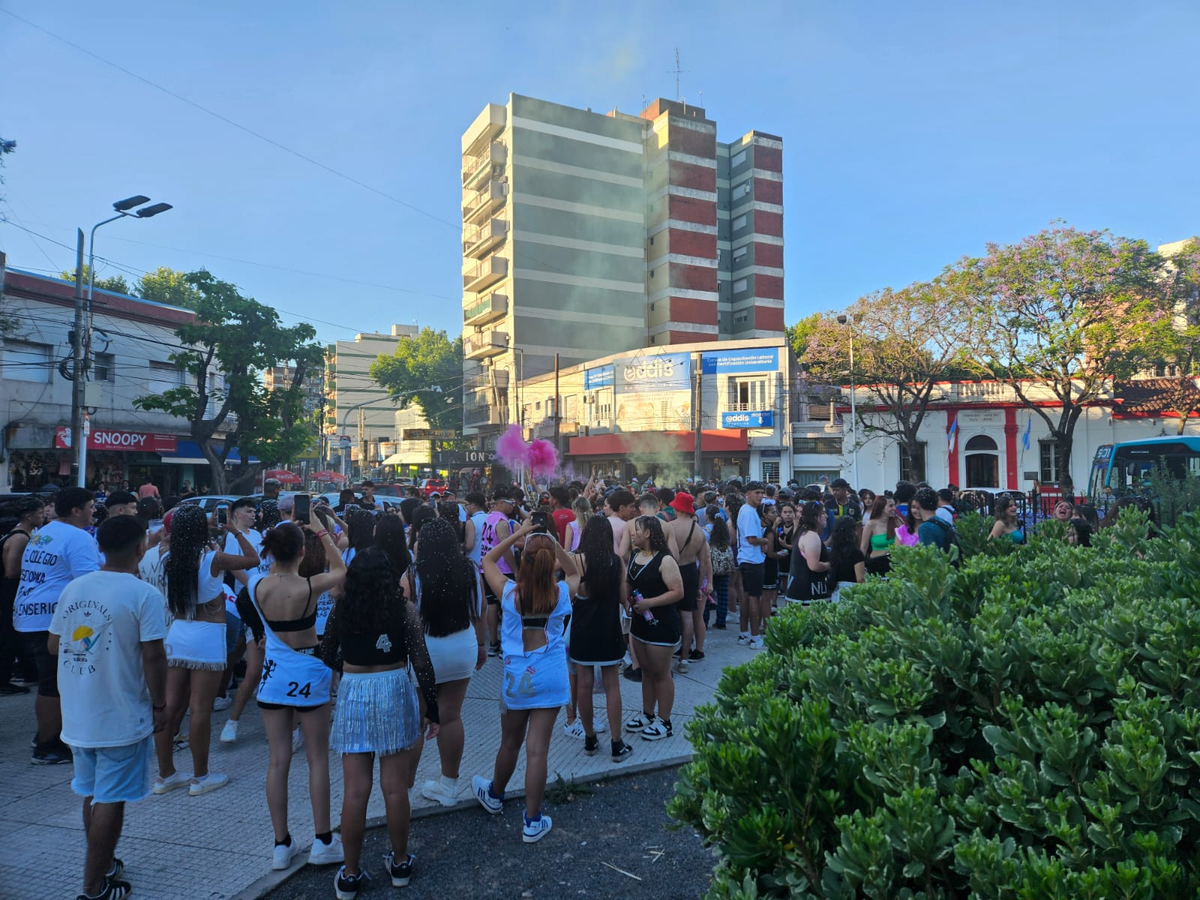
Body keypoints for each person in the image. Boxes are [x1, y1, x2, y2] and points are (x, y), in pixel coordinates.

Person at [49, 515, 168, 900]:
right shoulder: (143, 594)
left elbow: (54, 645)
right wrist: (161, 704)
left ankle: (103, 863)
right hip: (120, 715)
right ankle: (93, 887)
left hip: (79, 713)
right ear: (140, 548)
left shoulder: (75, 588)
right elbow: (154, 656)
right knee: (110, 799)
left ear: (99, 547)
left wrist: (86, 639)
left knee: (92, 792)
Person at [321, 550, 439, 898]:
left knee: (356, 789)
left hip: (355, 690)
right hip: (393, 688)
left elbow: (327, 653)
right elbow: (422, 661)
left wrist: (353, 663)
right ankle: (400, 863)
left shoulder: (343, 608)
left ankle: (350, 873)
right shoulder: (404, 610)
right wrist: (433, 708)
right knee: (394, 786)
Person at [245, 514, 347, 869]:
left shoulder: (256, 585)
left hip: (273, 675)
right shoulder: (308, 586)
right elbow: (342, 569)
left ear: (271, 550)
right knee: (317, 758)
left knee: (278, 760)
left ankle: (280, 844)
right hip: (309, 671)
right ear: (303, 552)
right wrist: (320, 530)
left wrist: (283, 528)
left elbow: (261, 564)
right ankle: (322, 840)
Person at [475, 521, 579, 843]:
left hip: (516, 677)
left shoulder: (509, 595)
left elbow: (488, 561)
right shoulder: (561, 594)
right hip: (551, 676)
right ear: (551, 564)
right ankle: (532, 822)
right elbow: (574, 573)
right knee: (538, 752)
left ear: (526, 560)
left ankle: (494, 794)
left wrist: (521, 535)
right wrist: (551, 541)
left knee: (510, 742)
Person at [152, 505, 258, 797]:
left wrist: (168, 536)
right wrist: (233, 530)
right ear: (200, 528)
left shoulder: (166, 557)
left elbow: (157, 542)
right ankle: (201, 777)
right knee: (199, 709)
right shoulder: (213, 558)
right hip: (207, 636)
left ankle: (165, 775)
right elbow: (253, 558)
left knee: (169, 707)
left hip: (177, 633)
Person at [405, 517, 486, 808]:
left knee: (415, 723)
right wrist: (481, 644)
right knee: (451, 716)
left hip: (425, 650)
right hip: (462, 644)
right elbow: (480, 610)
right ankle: (449, 786)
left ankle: (405, 792)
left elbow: (403, 613)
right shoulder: (469, 569)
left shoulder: (413, 572)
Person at [14, 486, 100, 764]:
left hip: (31, 615)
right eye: (90, 505)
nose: (94, 510)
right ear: (76, 510)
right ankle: (48, 745)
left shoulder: (45, 531)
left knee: (51, 682)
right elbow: (88, 584)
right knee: (55, 685)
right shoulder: (78, 537)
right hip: (51, 621)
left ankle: (47, 735)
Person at [567, 515, 631, 762]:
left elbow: (568, 594)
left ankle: (590, 738)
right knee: (612, 685)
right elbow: (623, 598)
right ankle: (617, 743)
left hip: (582, 630)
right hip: (608, 629)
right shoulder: (616, 562)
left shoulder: (577, 561)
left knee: (583, 685)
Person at [622, 516, 684, 740]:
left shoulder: (665, 560)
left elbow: (678, 592)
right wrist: (628, 599)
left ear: (647, 533)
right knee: (646, 671)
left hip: (661, 625)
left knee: (662, 673)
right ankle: (647, 714)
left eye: (636, 529)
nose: (632, 533)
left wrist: (649, 603)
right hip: (640, 624)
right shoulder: (634, 555)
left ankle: (665, 722)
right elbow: (630, 582)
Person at [663, 492, 712, 666]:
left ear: (677, 508)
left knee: (669, 615)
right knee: (687, 616)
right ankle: (684, 659)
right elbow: (704, 563)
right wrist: (700, 586)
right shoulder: (700, 531)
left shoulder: (669, 526)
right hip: (691, 572)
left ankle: (667, 658)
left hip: (671, 571)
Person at [1, 496, 44, 695]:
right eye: (40, 512)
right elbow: (12, 571)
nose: (43, 516)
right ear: (29, 515)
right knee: (10, 634)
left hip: (15, 590)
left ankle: (27, 671)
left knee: (17, 634)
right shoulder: (20, 538)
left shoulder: (26, 535)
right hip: (11, 590)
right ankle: (3, 678)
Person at [479, 489, 517, 656]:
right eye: (511, 503)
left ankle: (494, 643)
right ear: (502, 503)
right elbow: (506, 548)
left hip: (486, 567)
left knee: (492, 605)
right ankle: (506, 643)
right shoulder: (502, 522)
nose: (513, 507)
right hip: (502, 569)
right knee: (507, 606)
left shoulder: (489, 518)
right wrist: (515, 568)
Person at [735, 482, 767, 649]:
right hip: (752, 560)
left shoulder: (749, 510)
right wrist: (766, 540)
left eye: (762, 492)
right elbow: (751, 539)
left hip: (749, 559)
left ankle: (744, 634)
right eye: (757, 492)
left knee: (747, 597)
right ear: (747, 494)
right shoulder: (748, 512)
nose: (760, 495)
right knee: (754, 598)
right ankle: (755, 637)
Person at [787, 502, 830, 606]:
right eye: (823, 513)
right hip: (807, 594)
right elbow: (814, 566)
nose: (826, 516)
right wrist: (831, 564)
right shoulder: (811, 535)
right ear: (816, 517)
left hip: (802, 590)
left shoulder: (804, 532)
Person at [705, 518, 735, 630]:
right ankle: (721, 621)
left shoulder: (710, 543)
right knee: (723, 597)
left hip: (712, 572)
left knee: (708, 597)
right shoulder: (727, 543)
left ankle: (705, 621)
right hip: (724, 572)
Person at [828, 516, 866, 602]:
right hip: (851, 591)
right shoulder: (856, 553)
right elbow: (860, 579)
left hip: (836, 592)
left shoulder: (834, 551)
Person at [861, 496, 899, 577]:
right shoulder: (870, 524)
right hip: (876, 563)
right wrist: (860, 566)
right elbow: (864, 547)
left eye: (894, 505)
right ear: (881, 508)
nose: (894, 508)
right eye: (890, 506)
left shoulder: (897, 522)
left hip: (893, 563)